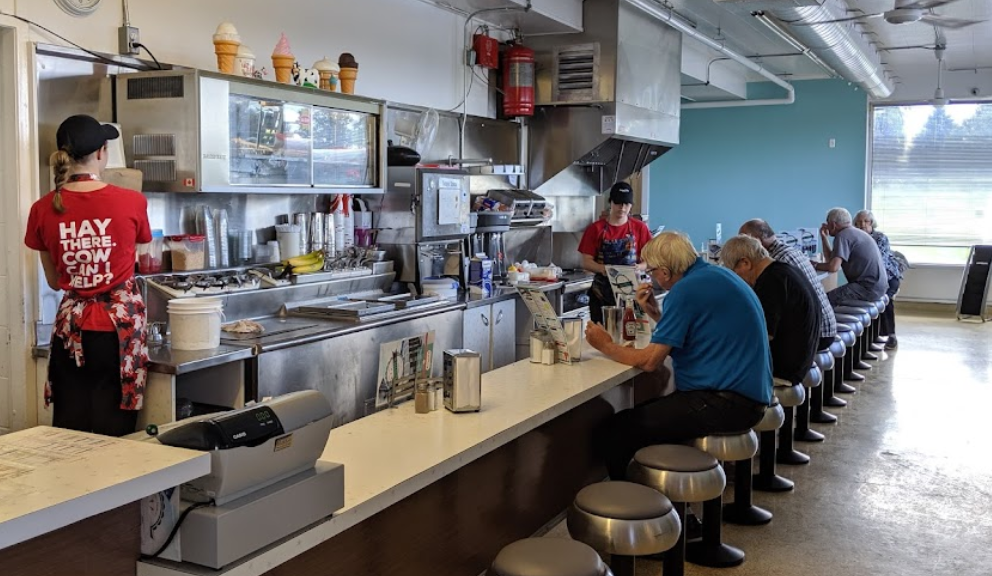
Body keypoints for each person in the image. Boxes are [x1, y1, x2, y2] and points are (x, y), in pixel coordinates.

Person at [585, 231, 772, 481]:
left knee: (617, 431)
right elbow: (692, 333)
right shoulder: (715, 275)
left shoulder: (685, 290)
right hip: (748, 396)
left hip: (726, 403)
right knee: (643, 416)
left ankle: (638, 502)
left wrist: (605, 344)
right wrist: (654, 311)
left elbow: (650, 361)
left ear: (664, 272)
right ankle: (667, 502)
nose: (650, 276)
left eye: (650, 271)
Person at [24, 115, 152, 437]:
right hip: (118, 334)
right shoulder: (132, 201)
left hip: (71, 332)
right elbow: (134, 262)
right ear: (101, 152)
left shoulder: (42, 208)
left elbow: (54, 282)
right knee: (116, 432)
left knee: (71, 432)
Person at [720, 235, 822, 385]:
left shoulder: (770, 281)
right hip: (801, 360)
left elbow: (763, 335)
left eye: (734, 272)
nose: (736, 280)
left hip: (785, 368)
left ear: (745, 263)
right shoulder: (785, 270)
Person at [739, 219, 837, 353]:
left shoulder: (775, 263)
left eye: (743, 242)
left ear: (755, 241)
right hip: (826, 327)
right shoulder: (790, 250)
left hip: (816, 334)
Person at [578, 182, 652, 323]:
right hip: (601, 294)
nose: (622, 208)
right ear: (610, 202)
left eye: (626, 204)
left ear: (631, 205)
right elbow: (586, 262)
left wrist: (639, 267)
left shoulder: (640, 228)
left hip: (631, 295)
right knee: (602, 337)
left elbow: (651, 261)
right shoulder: (595, 229)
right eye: (618, 203)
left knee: (629, 338)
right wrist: (604, 269)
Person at [812, 207, 888, 305]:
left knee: (821, 301)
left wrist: (814, 265)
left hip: (867, 288)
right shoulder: (854, 232)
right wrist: (824, 238)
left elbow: (833, 267)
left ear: (833, 224)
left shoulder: (843, 236)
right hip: (878, 287)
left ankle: (828, 320)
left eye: (827, 222)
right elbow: (831, 260)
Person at [854, 210, 904, 349]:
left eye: (866, 221)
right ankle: (871, 338)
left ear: (872, 223)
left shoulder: (880, 237)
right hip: (868, 279)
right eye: (858, 222)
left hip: (888, 277)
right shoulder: (854, 237)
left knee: (884, 301)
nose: (862, 225)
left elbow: (877, 260)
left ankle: (891, 335)